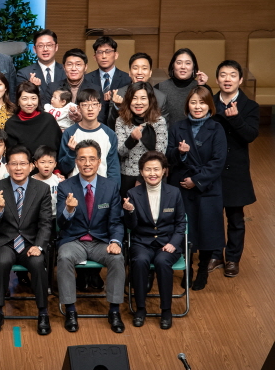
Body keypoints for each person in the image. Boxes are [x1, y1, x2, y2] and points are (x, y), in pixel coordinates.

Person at [56, 140, 126, 334]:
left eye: (92, 159)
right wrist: (69, 210)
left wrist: (115, 242)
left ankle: (114, 311)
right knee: (64, 257)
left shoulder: (110, 187)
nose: (87, 163)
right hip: (74, 240)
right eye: (82, 159)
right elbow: (61, 224)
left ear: (99, 161)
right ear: (76, 161)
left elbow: (116, 222)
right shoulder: (65, 187)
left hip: (101, 242)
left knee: (117, 258)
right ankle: (70, 310)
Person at [0, 146, 53, 335]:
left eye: (22, 163)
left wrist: (39, 246)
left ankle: (43, 313)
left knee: (38, 262)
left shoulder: (42, 189)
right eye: (13, 164)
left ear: (31, 166)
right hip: (4, 241)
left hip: (30, 243)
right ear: (7, 167)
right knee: (2, 261)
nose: (18, 168)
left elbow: (45, 223)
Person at [166, 86, 226, 291]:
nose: (197, 107)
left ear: (209, 106)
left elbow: (218, 161)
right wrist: (180, 153)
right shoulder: (177, 127)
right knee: (185, 229)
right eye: (193, 102)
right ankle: (187, 269)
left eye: (202, 103)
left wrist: (197, 180)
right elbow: (168, 156)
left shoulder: (217, 128)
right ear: (187, 105)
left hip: (207, 186)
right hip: (182, 185)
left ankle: (202, 271)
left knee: (208, 230)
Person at [123, 151, 186, 330]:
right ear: (141, 172)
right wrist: (129, 212)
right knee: (140, 260)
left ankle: (166, 310)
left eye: (156, 169)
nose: (152, 173)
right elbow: (131, 226)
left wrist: (173, 243)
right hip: (142, 242)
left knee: (162, 261)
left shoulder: (174, 192)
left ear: (164, 171)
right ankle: (140, 308)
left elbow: (181, 223)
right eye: (148, 169)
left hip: (168, 242)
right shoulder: (133, 193)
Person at [209, 60, 259, 277]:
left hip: (236, 169)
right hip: (213, 167)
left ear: (240, 80)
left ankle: (232, 259)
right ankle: (214, 255)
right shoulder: (209, 103)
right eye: (223, 75)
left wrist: (236, 118)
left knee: (236, 218)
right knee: (212, 215)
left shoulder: (250, 106)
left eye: (232, 75)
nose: (227, 79)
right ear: (217, 79)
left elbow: (251, 135)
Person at [115, 82, 168, 197]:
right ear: (129, 100)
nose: (139, 102)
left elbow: (160, 154)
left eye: (143, 98)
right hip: (128, 177)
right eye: (134, 98)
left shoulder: (159, 121)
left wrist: (141, 177)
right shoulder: (121, 121)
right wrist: (131, 139)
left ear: (150, 100)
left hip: (152, 176)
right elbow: (120, 152)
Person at [59, 89, 120, 181]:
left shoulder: (109, 134)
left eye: (94, 104)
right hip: (75, 186)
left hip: (102, 186)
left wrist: (113, 188)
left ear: (100, 107)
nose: (90, 109)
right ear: (78, 108)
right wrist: (71, 153)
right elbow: (64, 168)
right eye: (85, 105)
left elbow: (113, 168)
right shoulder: (70, 133)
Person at [107, 52, 169, 128]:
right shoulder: (118, 94)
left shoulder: (160, 97)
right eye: (135, 68)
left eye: (144, 68)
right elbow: (110, 125)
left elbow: (164, 128)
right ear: (129, 72)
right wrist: (117, 107)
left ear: (150, 72)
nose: (139, 72)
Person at [40, 48, 101, 122]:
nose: (73, 68)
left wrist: (81, 119)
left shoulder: (95, 89)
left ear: (85, 67)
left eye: (78, 64)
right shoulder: (53, 87)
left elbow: (100, 118)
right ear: (64, 67)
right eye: (69, 64)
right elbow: (43, 113)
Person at [3, 81, 62, 155]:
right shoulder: (11, 124)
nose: (30, 103)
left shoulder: (48, 120)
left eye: (33, 98)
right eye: (24, 99)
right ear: (18, 101)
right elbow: (12, 154)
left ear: (38, 99)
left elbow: (59, 148)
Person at [155, 48, 211, 124]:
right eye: (179, 63)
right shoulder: (159, 88)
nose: (183, 67)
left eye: (188, 63)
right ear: (173, 66)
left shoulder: (202, 87)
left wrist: (202, 87)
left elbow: (210, 115)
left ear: (193, 67)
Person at [83, 37, 130, 123]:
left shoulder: (127, 79)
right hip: (93, 125)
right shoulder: (86, 79)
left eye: (108, 52)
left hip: (118, 125)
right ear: (94, 57)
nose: (104, 56)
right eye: (100, 52)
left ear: (116, 55)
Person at [32, 145, 62, 217]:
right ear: (36, 164)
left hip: (55, 216)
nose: (46, 166)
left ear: (55, 164)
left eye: (50, 162)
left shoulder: (59, 181)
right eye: (42, 162)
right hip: (36, 217)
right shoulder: (30, 181)